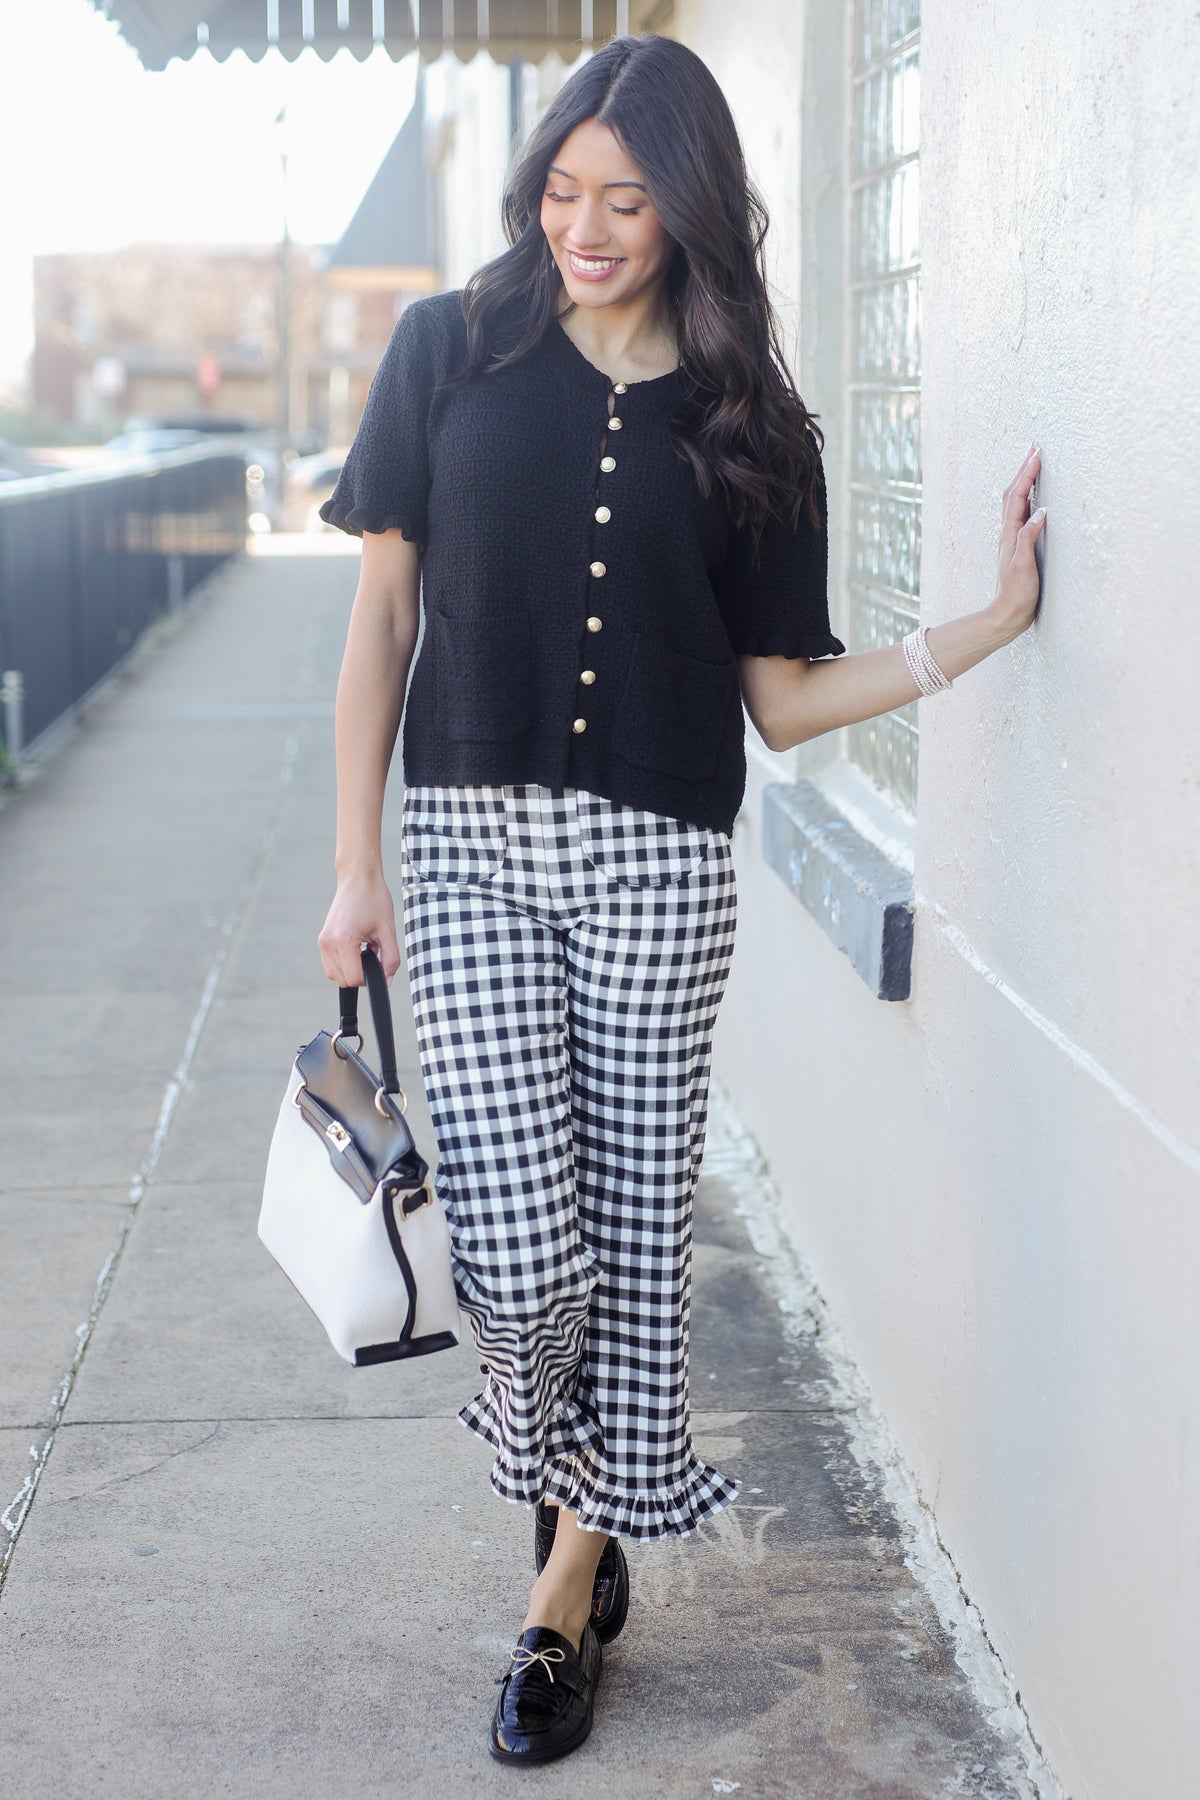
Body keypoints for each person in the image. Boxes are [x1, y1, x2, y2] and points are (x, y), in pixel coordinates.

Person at [315, 32, 1045, 1768]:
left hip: (659, 871)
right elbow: (379, 623)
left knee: (639, 1243)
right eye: (564, 192)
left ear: (691, 207)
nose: (585, 225)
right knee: (521, 1244)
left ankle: (564, 1588)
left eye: (625, 200)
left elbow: (781, 700)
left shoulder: (751, 424)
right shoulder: (450, 349)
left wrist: (985, 630)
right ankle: (579, 1479)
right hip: (469, 847)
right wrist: (358, 866)